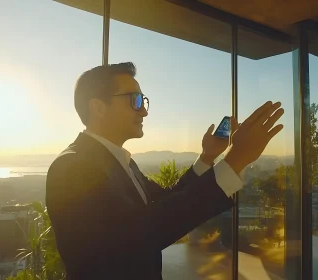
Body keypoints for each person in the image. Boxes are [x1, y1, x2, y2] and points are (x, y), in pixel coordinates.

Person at [45, 62, 284, 280]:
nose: (144, 111)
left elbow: (166, 200)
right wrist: (235, 160)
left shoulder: (120, 162)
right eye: (135, 100)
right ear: (98, 107)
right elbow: (141, 233)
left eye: (143, 101)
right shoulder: (71, 167)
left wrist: (207, 157)